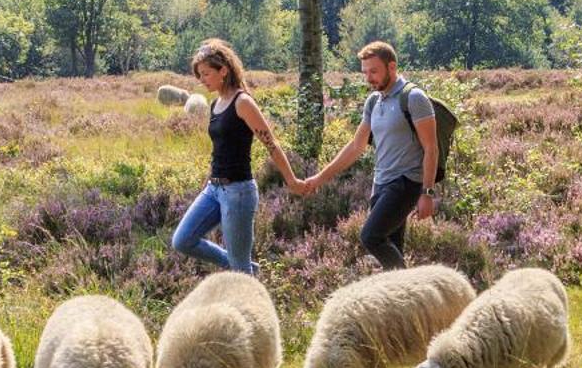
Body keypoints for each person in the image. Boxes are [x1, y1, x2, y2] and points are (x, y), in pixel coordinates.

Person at [295, 41, 438, 270]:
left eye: (374, 71)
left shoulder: (414, 98)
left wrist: (427, 193)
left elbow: (431, 148)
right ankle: (401, 299)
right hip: (380, 184)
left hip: (405, 183)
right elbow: (356, 146)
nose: (368, 78)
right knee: (393, 247)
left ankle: (410, 287)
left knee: (371, 236)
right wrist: (319, 178)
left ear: (391, 67)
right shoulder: (373, 101)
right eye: (364, 72)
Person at [169, 39, 300, 275]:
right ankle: (244, 268)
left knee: (240, 270)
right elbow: (220, 150)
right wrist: (209, 181)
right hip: (213, 189)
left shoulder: (243, 102)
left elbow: (271, 143)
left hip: (238, 192)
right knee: (182, 240)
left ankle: (249, 292)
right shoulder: (215, 104)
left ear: (224, 70)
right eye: (199, 75)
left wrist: (291, 180)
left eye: (206, 74)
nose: (202, 80)